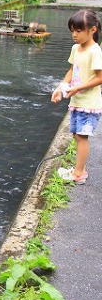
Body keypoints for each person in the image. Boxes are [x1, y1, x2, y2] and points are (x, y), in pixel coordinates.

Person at [51, 9, 102, 184]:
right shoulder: (76, 48)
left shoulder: (95, 51)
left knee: (82, 137)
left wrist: (78, 87)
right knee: (76, 135)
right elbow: (72, 71)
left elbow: (100, 78)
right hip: (77, 100)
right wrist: (60, 87)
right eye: (72, 30)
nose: (74, 35)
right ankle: (79, 169)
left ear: (92, 30)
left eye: (79, 31)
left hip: (89, 103)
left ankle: (78, 174)